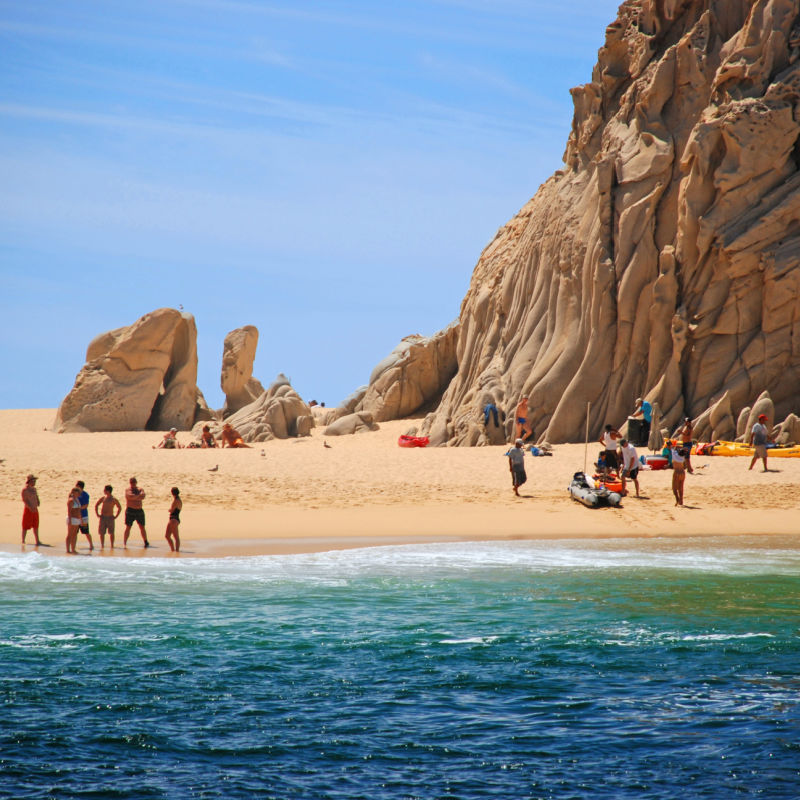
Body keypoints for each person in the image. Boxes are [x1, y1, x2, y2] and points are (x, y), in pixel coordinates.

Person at [123, 477, 150, 548]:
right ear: (130, 483)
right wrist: (138, 497)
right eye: (132, 482)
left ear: (136, 482)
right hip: (130, 510)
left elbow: (143, 496)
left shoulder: (140, 489)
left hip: (139, 510)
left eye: (134, 482)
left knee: (142, 527)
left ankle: (146, 541)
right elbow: (130, 496)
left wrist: (135, 497)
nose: (133, 483)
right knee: (128, 527)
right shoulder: (128, 490)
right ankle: (125, 542)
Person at [21, 474, 42, 546]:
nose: (34, 482)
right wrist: (30, 507)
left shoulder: (34, 489)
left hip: (35, 509)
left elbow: (36, 496)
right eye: (33, 481)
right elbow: (25, 500)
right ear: (29, 481)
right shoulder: (25, 490)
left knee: (36, 525)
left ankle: (37, 540)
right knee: (25, 525)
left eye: (35, 481)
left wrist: (38, 501)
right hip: (28, 510)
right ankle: (23, 540)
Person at [75, 480, 94, 550]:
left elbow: (86, 505)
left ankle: (91, 545)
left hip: (83, 516)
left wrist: (79, 508)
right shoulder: (74, 494)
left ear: (79, 486)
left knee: (86, 531)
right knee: (75, 532)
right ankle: (74, 545)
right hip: (76, 516)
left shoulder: (85, 495)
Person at [165, 487, 182, 552]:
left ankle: (176, 551)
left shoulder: (176, 501)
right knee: (167, 536)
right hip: (174, 519)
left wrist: (169, 510)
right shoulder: (178, 500)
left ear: (172, 493)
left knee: (176, 537)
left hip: (174, 519)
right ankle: (173, 550)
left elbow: (172, 510)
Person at [66, 487, 82, 554]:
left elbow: (79, 510)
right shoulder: (71, 500)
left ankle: (73, 549)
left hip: (77, 519)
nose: (79, 494)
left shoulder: (77, 500)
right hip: (72, 518)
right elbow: (69, 511)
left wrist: (80, 519)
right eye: (78, 492)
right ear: (74, 492)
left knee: (75, 534)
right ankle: (68, 550)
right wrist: (70, 520)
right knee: (70, 534)